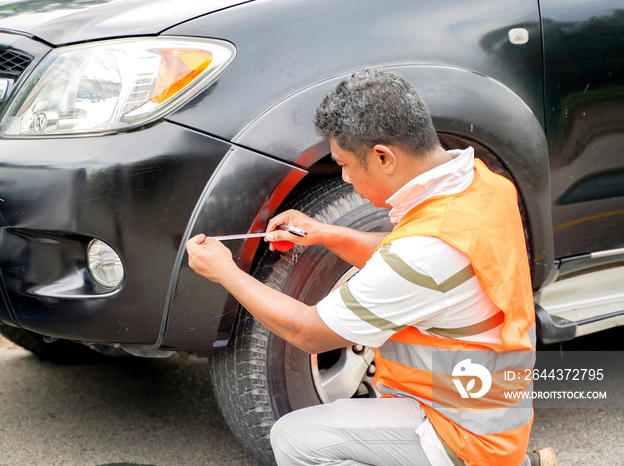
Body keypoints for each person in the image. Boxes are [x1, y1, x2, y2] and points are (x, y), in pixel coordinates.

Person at [186, 69, 555, 466]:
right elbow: (419, 262)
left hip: (463, 436)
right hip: (490, 412)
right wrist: (328, 234)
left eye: (345, 164)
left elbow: (307, 331)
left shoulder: (423, 253)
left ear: (383, 157)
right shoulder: (482, 185)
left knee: (294, 438)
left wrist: (226, 272)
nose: (344, 177)